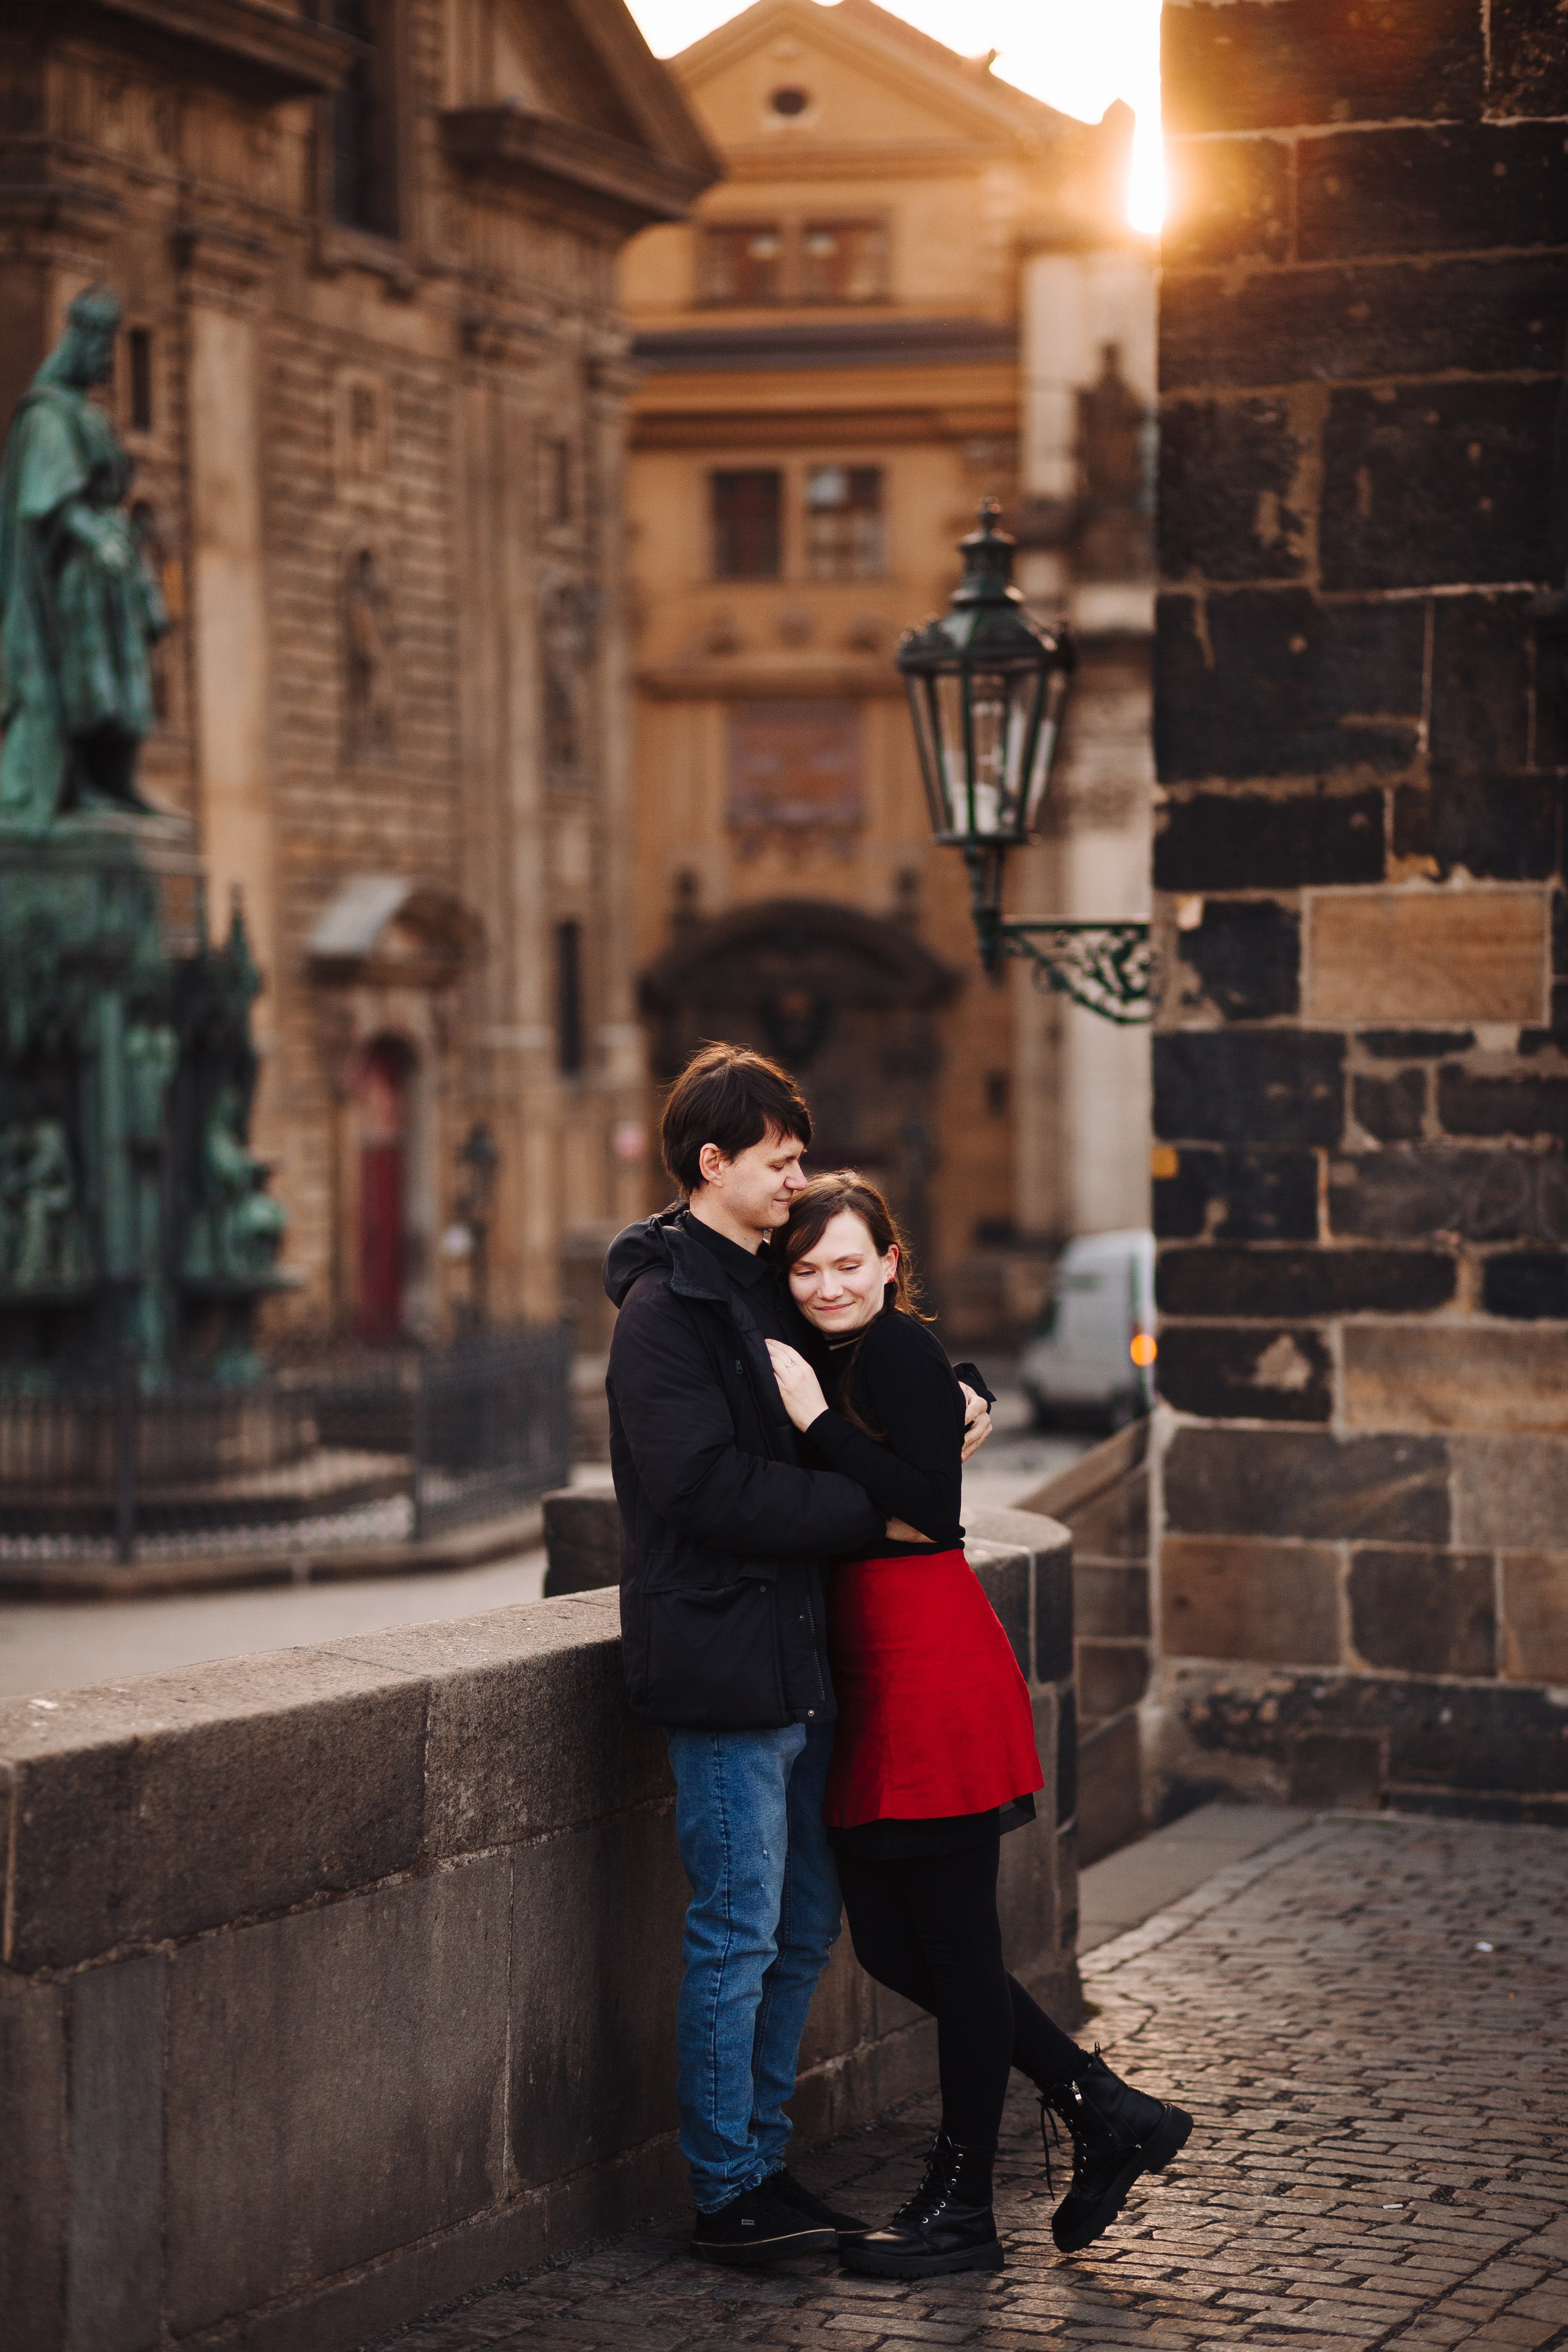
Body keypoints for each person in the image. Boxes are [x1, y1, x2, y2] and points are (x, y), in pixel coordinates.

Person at [601, 1046, 994, 2267]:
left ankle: (763, 2165)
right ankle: (726, 2192)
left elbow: (858, 1360)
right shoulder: (665, 1314)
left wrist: (954, 1388)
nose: (796, 1178)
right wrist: (876, 1514)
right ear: (712, 1162)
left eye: (798, 1158)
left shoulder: (765, 1282)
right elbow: (702, 1487)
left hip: (805, 1658)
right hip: (724, 1663)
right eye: (777, 1161)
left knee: (804, 1926)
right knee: (736, 1933)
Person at [766, 1171, 1192, 2277]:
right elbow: (908, 1444)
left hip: (929, 1666)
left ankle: (962, 2208)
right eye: (806, 1269)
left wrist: (816, 1421)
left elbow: (932, 1507)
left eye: (849, 1263)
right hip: (874, 1673)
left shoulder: (890, 1351)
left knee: (955, 1948)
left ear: (890, 1263)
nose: (828, 1285)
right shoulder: (843, 1353)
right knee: (892, 1944)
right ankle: (1104, 2107)